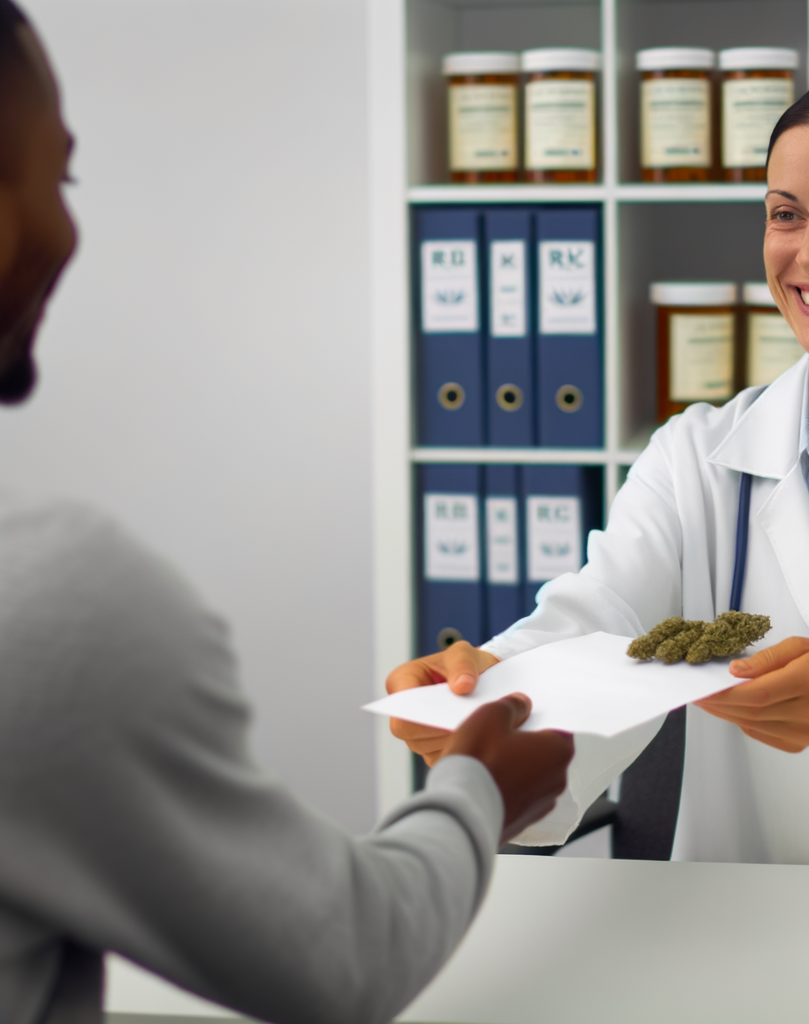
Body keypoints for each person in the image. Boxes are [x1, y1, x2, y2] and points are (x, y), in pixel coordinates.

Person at [0, 5, 574, 1023]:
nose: (64, 224)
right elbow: (349, 955)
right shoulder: (53, 602)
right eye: (58, 176)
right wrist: (478, 782)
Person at [389, 69, 809, 870]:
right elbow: (597, 618)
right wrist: (489, 688)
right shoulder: (694, 458)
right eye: (785, 215)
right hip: (735, 930)